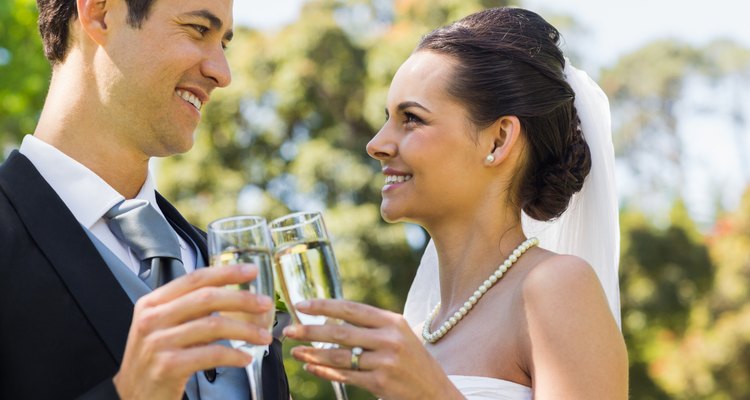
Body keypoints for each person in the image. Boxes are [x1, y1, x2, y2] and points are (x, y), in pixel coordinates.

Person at [281, 7, 628, 399]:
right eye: (387, 118)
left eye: (411, 118)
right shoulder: (419, 330)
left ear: (498, 140)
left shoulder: (555, 287)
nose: (376, 144)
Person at [0, 0, 289, 399]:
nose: (222, 73)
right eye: (197, 29)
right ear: (100, 12)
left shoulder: (221, 263)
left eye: (224, 42)